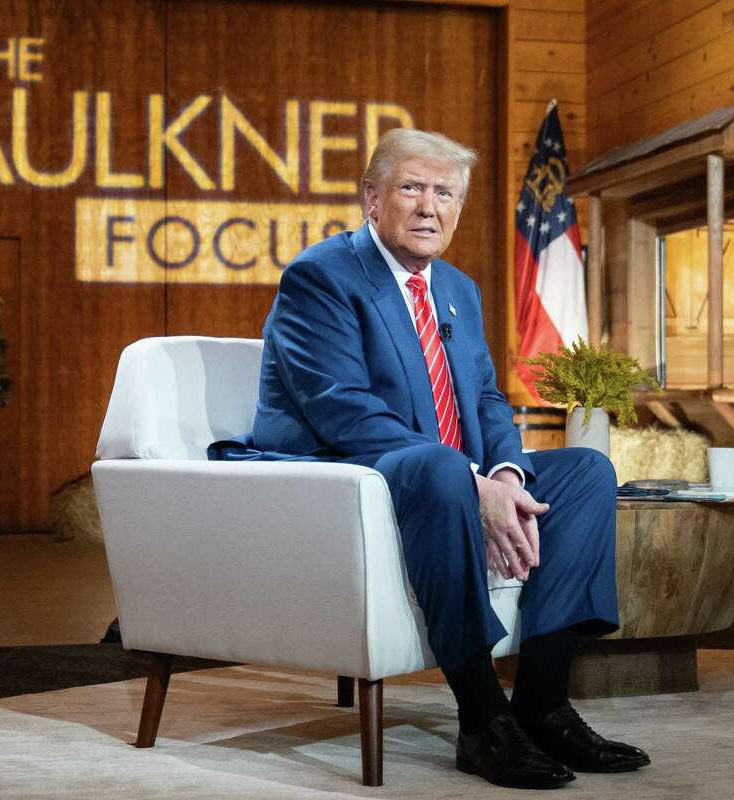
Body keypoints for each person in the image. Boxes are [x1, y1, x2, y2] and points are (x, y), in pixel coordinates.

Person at [213, 128, 649, 790]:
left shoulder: (456, 289)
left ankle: (542, 704)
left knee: (586, 472)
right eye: (411, 188)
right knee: (445, 469)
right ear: (372, 199)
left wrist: (503, 474)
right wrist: (474, 481)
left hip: (446, 472)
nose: (428, 207)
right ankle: (481, 719)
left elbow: (485, 398)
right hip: (345, 474)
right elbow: (343, 412)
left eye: (444, 193)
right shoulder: (320, 278)